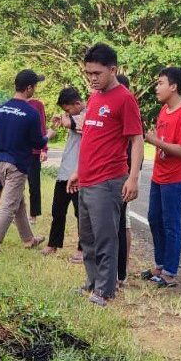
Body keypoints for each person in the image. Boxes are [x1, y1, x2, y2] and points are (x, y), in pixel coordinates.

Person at [68, 44, 144, 306]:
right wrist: (78, 171)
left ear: (113, 70)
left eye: (97, 73)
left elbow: (136, 140)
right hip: (87, 179)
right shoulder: (94, 97)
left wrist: (133, 178)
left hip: (108, 180)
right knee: (87, 238)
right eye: (88, 73)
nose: (92, 78)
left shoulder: (125, 98)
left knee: (105, 238)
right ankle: (92, 283)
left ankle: (105, 290)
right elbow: (90, 137)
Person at [0, 70, 51, 253]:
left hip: (0, 162)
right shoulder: (31, 113)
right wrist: (49, 136)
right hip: (17, 165)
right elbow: (37, 142)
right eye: (35, 86)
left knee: (18, 202)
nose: (35, 89)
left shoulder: (1, 109)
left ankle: (28, 239)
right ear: (29, 88)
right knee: (9, 206)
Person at [140, 67, 181, 288]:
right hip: (160, 174)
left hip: (176, 176)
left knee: (170, 223)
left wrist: (155, 141)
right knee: (154, 218)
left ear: (173, 87)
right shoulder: (164, 110)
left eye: (161, 83)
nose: (157, 87)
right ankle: (160, 264)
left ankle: (170, 273)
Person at [41, 87, 84, 261]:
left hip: (80, 172)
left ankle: (82, 249)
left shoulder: (89, 115)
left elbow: (70, 123)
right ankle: (53, 243)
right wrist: (64, 117)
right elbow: (68, 122)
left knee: (81, 214)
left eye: (68, 109)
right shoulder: (74, 116)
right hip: (65, 171)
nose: (66, 113)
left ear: (77, 104)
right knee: (57, 210)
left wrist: (65, 118)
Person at [116, 73, 133, 284]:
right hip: (107, 177)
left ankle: (121, 273)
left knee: (121, 224)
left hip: (122, 177)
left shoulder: (128, 107)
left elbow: (136, 145)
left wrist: (132, 178)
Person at [27, 92, 48, 223]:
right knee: (14, 186)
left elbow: (42, 126)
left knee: (34, 185)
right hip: (17, 151)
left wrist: (44, 149)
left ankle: (33, 215)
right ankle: (14, 214)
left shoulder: (37, 104)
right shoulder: (15, 103)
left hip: (34, 152)